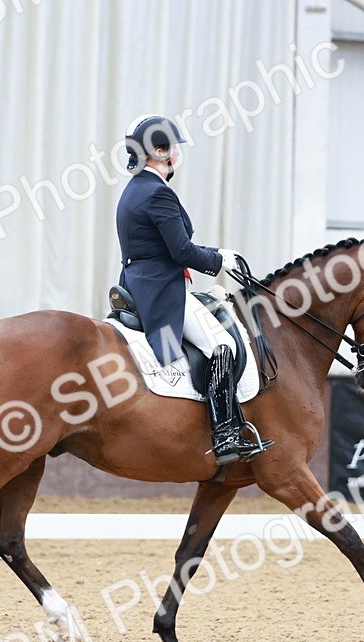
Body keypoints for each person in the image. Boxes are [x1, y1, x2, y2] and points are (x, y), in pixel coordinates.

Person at [115, 114, 246, 465]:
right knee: (222, 344)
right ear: (160, 151)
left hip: (140, 283)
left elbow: (161, 249)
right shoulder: (158, 193)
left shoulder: (134, 190)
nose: (177, 153)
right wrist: (219, 260)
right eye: (172, 146)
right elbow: (181, 252)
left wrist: (214, 257)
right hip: (161, 291)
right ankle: (225, 435)